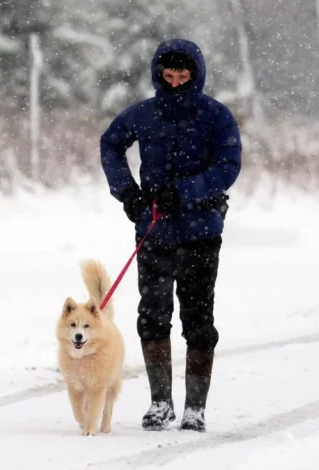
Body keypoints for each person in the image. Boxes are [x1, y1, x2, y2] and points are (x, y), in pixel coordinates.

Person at [99, 38, 242, 432]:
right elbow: (110, 144)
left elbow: (229, 165)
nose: (176, 82)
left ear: (196, 74)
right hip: (154, 232)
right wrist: (127, 193)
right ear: (158, 75)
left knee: (198, 319)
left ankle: (195, 408)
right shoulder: (143, 115)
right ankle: (160, 402)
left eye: (183, 75)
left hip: (201, 232)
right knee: (152, 316)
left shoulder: (216, 116)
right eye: (169, 75)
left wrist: (186, 191)